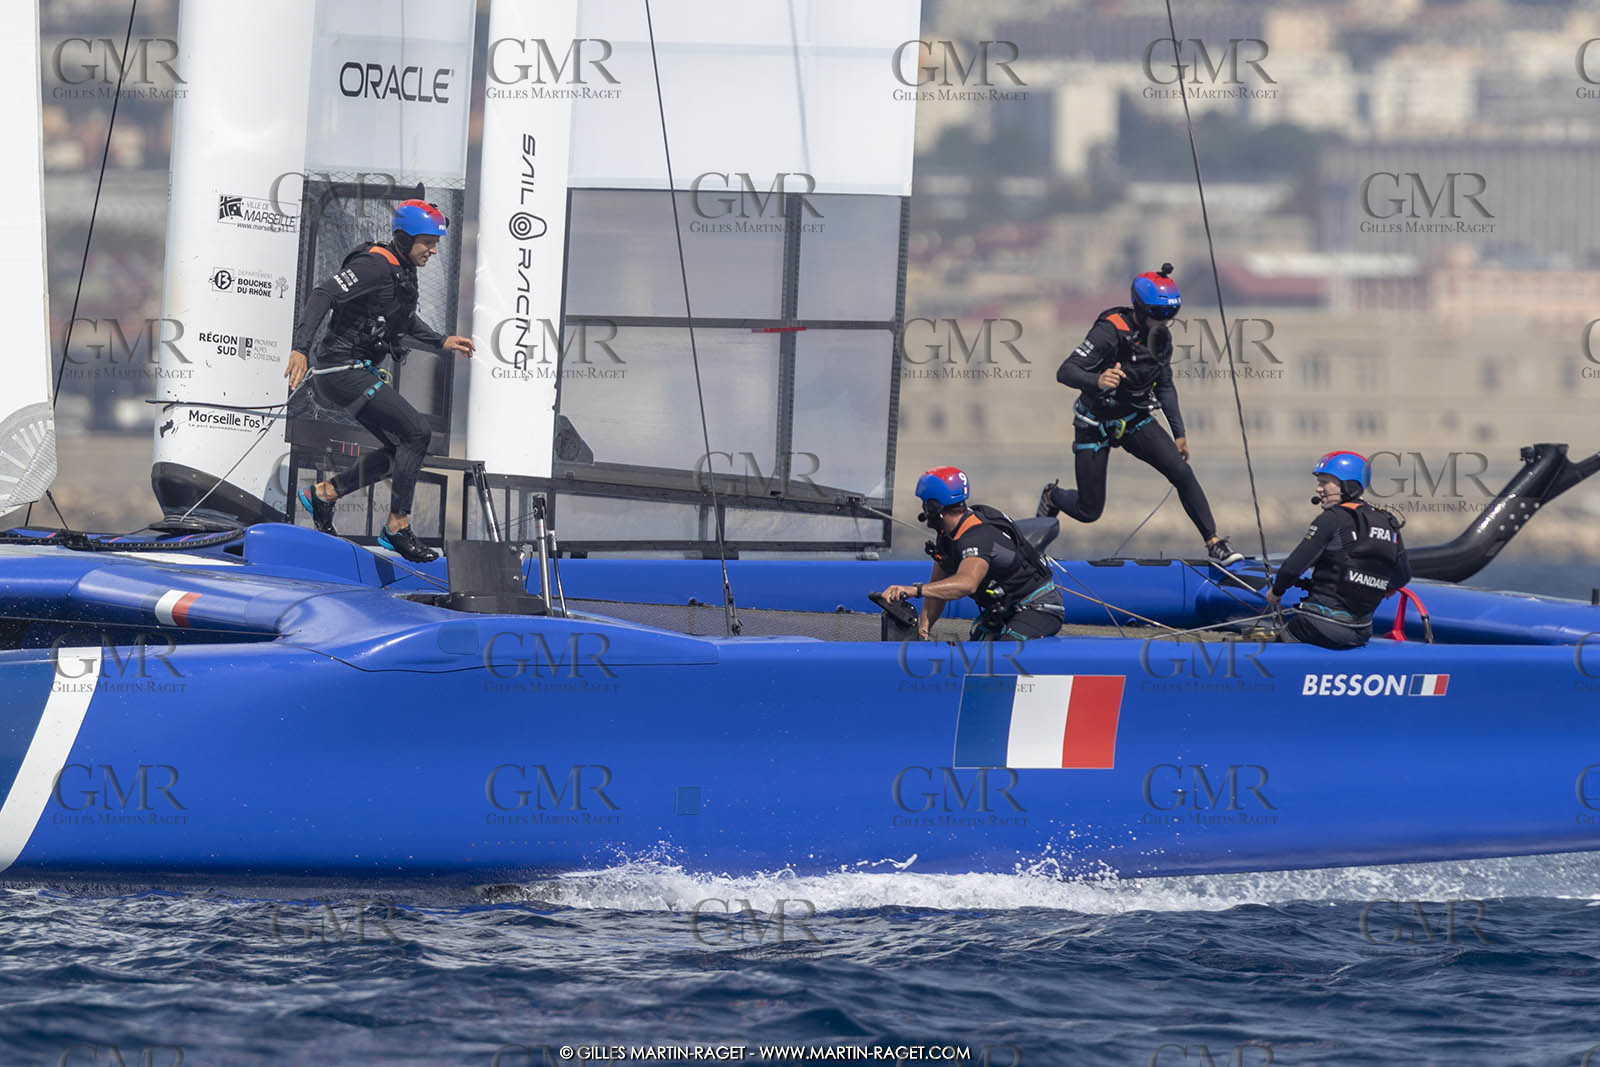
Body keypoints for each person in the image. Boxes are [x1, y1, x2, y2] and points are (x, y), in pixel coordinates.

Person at [286, 199, 474, 563]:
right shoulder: (373, 265)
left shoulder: (402, 270)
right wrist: (300, 348)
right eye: (427, 243)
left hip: (355, 371)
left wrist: (440, 341)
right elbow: (323, 294)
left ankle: (325, 494)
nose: (434, 250)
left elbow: (401, 320)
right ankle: (397, 526)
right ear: (404, 239)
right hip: (338, 371)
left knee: (400, 450)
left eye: (436, 243)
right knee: (417, 433)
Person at [1037, 263, 1242, 566]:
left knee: (1182, 472)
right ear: (1140, 308)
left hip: (1134, 420)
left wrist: (1179, 433)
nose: (1164, 321)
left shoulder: (1162, 338)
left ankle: (1214, 544)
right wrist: (1097, 380)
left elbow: (1165, 386)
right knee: (1089, 511)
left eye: (1170, 314)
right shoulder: (1109, 332)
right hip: (1095, 424)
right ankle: (1053, 496)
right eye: (1159, 314)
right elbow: (1065, 371)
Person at [880, 466, 1065, 642]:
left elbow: (967, 583)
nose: (924, 512)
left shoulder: (977, 537)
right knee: (977, 645)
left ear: (934, 507)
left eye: (925, 505)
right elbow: (936, 586)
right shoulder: (948, 534)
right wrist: (923, 632)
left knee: (1003, 653)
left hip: (1038, 607)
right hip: (1004, 610)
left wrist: (914, 590)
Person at [1264, 450, 1410, 650]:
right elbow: (1402, 576)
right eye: (1319, 482)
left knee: (1275, 643)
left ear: (1348, 485)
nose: (1318, 489)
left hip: (1319, 626)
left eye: (1325, 482)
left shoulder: (1332, 518)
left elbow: (1292, 568)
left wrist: (1276, 592)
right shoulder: (1388, 521)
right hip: (1361, 632)